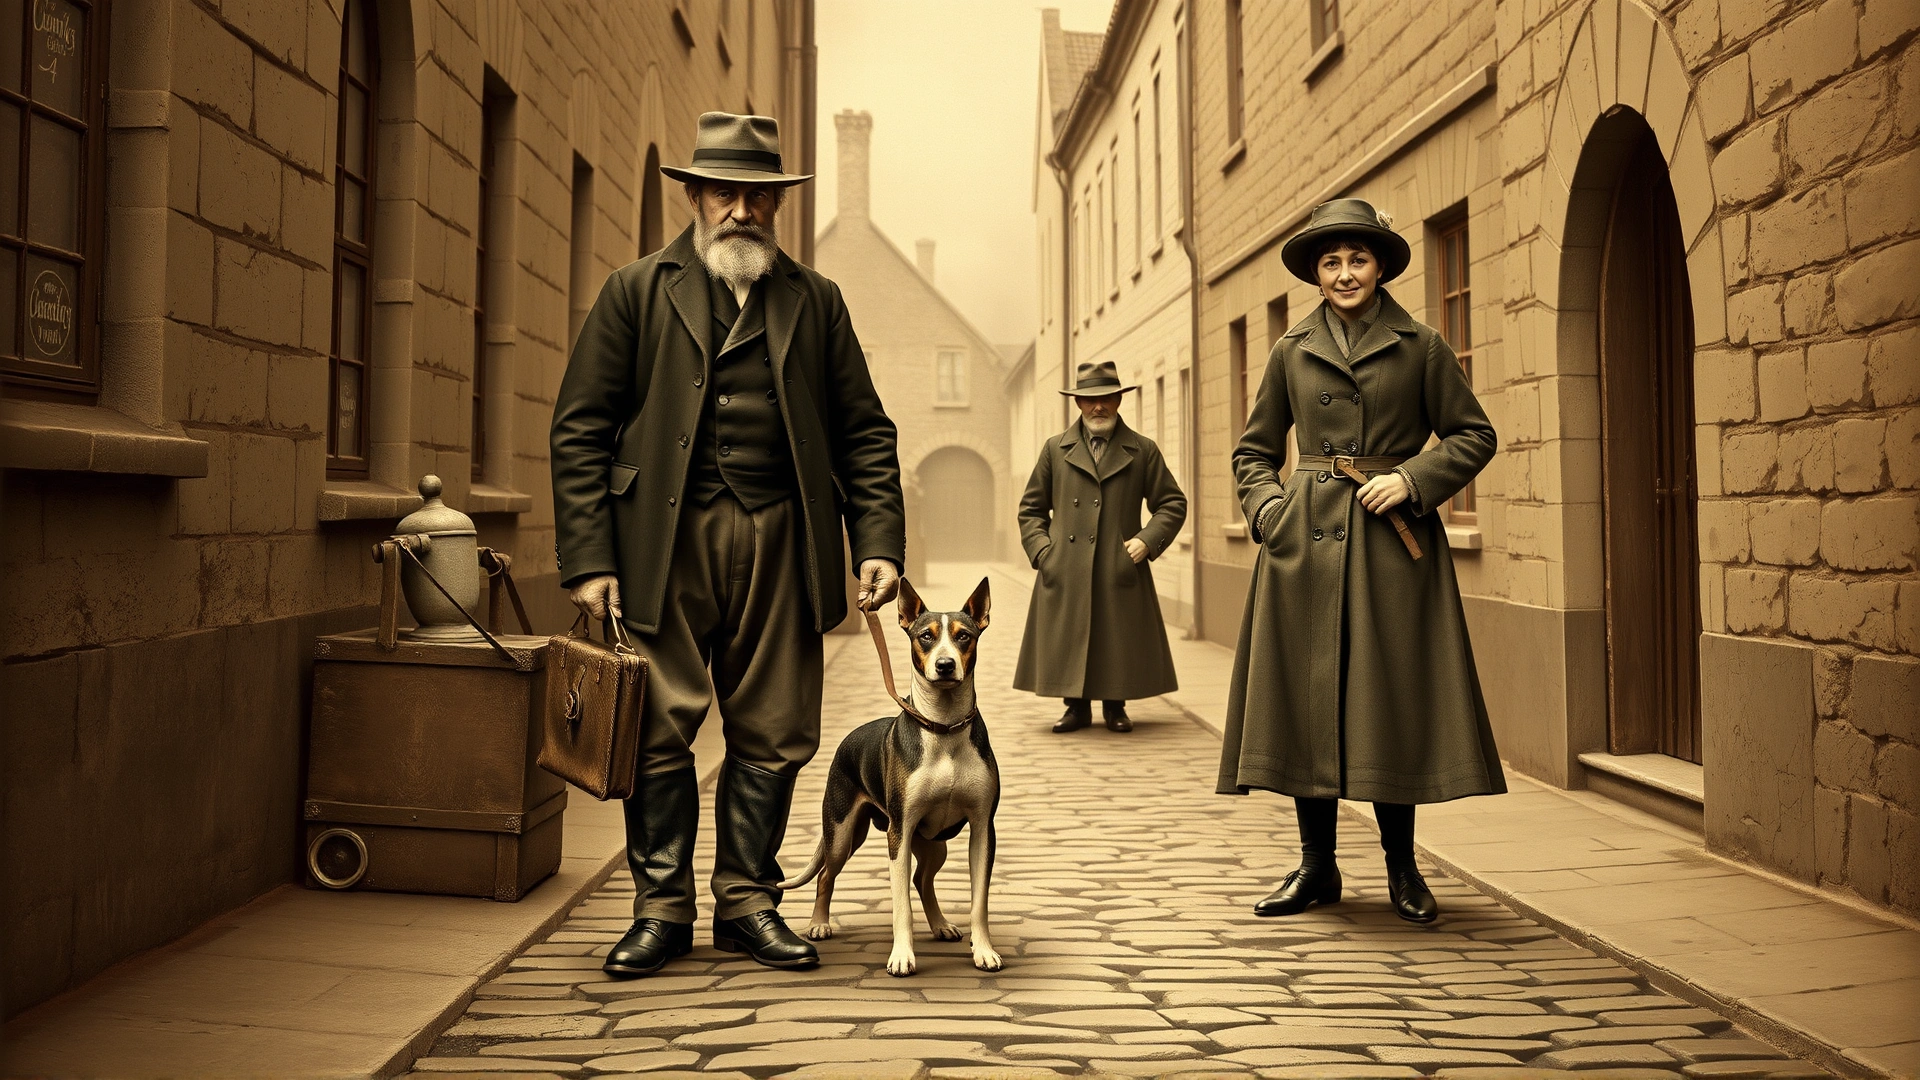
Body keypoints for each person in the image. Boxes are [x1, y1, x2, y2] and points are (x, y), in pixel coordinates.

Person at [551, 113, 904, 976]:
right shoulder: (636, 290)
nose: (741, 210)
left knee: (777, 729)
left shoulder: (814, 300)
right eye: (725, 193)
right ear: (694, 196)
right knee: (657, 727)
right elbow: (580, 429)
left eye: (758, 196)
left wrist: (878, 541)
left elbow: (864, 431)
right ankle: (661, 911)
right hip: (660, 543)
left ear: (776, 205)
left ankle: (749, 902)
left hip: (783, 537)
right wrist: (592, 559)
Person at [1215, 198, 1503, 924]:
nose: (1345, 273)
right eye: (1332, 262)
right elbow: (1253, 452)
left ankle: (1403, 868)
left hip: (1390, 548)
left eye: (1358, 260)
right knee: (1305, 704)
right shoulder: (1289, 350)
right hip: (1300, 546)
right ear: (1317, 273)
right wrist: (1271, 512)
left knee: (1388, 700)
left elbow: (1473, 435)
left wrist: (1412, 479)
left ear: (1379, 267)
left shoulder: (1422, 345)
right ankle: (1316, 867)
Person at [1014, 360, 1187, 734]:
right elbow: (1030, 508)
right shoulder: (1054, 450)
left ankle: (1115, 706)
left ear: (1118, 401)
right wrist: (1045, 552)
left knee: (1114, 638)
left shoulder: (1142, 450)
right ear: (1077, 403)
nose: (1098, 407)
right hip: (1066, 566)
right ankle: (1074, 708)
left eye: (1106, 398)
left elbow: (1173, 503)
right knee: (1072, 636)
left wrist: (1146, 540)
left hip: (1117, 563)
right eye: (1089, 399)